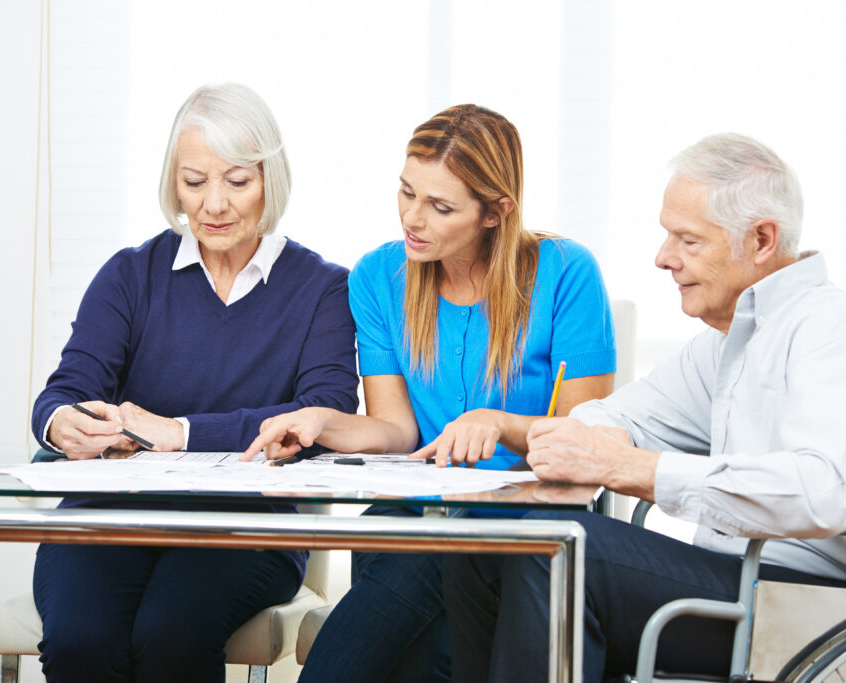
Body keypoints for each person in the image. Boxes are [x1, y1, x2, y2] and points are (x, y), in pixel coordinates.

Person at [443, 132, 846, 681]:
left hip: (839, 612)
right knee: (487, 534)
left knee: (556, 550)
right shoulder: (729, 340)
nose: (663, 258)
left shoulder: (839, 334)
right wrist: (585, 439)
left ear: (760, 239)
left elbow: (822, 491)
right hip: (750, 580)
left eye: (687, 240)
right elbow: (625, 415)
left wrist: (629, 466)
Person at [244, 104, 617, 681]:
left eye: (440, 207)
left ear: (496, 212)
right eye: (406, 192)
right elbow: (397, 432)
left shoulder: (566, 272)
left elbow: (585, 444)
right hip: (413, 513)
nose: (412, 219)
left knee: (426, 597)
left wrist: (500, 422)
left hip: (518, 525)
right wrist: (320, 419)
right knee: (417, 578)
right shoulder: (378, 276)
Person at [29, 83, 358, 683]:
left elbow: (326, 414)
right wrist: (61, 423)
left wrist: (180, 432)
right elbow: (66, 388)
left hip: (247, 530)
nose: (214, 205)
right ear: (172, 184)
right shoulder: (131, 274)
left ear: (270, 181)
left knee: (171, 636)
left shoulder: (321, 289)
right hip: (112, 517)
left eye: (237, 181)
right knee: (82, 641)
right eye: (194, 181)